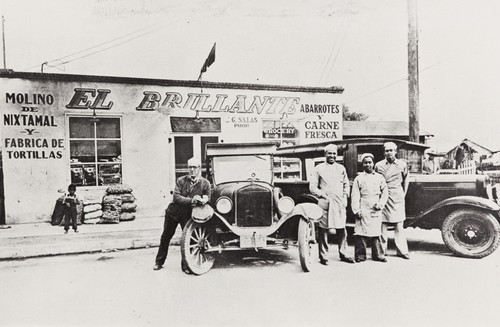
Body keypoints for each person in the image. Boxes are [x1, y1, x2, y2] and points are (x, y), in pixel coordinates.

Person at [154, 157, 211, 271]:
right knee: (165, 237)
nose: (192, 170)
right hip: (173, 212)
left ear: (199, 168)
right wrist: (192, 200)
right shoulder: (181, 180)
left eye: (194, 167)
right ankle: (159, 262)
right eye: (190, 167)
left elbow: (208, 197)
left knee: (186, 239)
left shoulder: (205, 183)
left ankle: (186, 266)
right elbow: (176, 197)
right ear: (187, 168)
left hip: (188, 214)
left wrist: (204, 199)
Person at [310, 144, 355, 265]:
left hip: (339, 202)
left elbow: (346, 185)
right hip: (325, 202)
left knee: (342, 229)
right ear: (325, 154)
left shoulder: (341, 168)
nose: (332, 156)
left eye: (334, 153)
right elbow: (312, 187)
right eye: (329, 153)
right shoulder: (318, 168)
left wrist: (345, 197)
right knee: (323, 229)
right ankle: (323, 256)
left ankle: (344, 253)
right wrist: (322, 194)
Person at [374, 142, 410, 259]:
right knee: (382, 225)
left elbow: (406, 181)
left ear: (395, 151)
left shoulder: (402, 165)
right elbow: (376, 181)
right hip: (383, 196)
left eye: (391, 150)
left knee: (399, 225)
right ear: (384, 152)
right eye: (387, 150)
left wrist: (402, 194)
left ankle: (402, 251)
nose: (389, 152)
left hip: (397, 197)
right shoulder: (378, 165)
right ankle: (381, 251)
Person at [351, 153, 388, 263]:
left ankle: (378, 255)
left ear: (373, 163)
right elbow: (355, 195)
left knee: (376, 232)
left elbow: (385, 193)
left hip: (375, 208)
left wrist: (380, 204)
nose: (368, 165)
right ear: (362, 164)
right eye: (365, 163)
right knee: (360, 233)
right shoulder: (359, 178)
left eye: (370, 162)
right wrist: (357, 210)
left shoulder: (379, 177)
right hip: (363, 207)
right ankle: (360, 256)